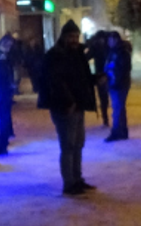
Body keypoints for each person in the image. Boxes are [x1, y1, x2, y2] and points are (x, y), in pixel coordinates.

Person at [38, 20, 98, 195]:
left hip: (78, 105)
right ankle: (69, 183)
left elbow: (82, 77)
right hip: (64, 107)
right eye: (71, 36)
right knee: (68, 145)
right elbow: (54, 82)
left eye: (76, 36)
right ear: (63, 37)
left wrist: (96, 79)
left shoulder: (77, 54)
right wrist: (67, 101)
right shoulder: (54, 56)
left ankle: (77, 179)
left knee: (78, 144)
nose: (74, 40)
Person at [104, 31, 133, 142]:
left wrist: (115, 77)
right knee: (119, 108)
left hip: (119, 84)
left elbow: (124, 69)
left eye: (110, 40)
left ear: (115, 40)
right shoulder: (114, 51)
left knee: (117, 108)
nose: (108, 42)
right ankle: (122, 130)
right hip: (114, 83)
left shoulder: (121, 52)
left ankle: (116, 131)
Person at [88, 30, 111, 128]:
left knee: (107, 98)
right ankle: (105, 119)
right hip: (102, 75)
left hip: (106, 74)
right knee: (104, 98)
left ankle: (107, 119)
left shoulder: (105, 47)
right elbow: (86, 57)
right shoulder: (98, 47)